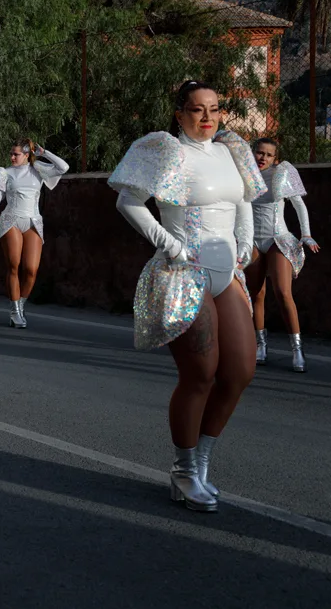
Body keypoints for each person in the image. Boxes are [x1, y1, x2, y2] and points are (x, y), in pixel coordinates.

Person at [109, 80, 265, 513]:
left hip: (227, 272)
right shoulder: (167, 151)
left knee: (240, 371)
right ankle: (183, 470)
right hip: (184, 272)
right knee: (201, 373)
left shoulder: (232, 150)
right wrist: (170, 244)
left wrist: (245, 243)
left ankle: (202, 464)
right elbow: (128, 202)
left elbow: (244, 200)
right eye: (197, 110)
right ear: (180, 114)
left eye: (214, 108)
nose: (207, 117)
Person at [244, 137, 320, 373]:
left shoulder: (281, 173)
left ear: (275, 158)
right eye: (259, 152)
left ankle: (297, 349)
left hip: (278, 238)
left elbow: (299, 205)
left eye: (268, 155)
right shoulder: (244, 175)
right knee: (256, 294)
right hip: (252, 240)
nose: (263, 158)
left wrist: (306, 234)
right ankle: (261, 345)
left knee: (282, 292)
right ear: (252, 153)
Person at [0, 140, 69, 327]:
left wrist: (44, 153)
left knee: (31, 270)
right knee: (14, 266)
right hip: (11, 220)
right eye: (11, 153)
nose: (12, 157)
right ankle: (15, 311)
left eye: (16, 154)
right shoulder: (4, 172)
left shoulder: (38, 170)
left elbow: (63, 167)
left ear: (27, 155)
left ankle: (20, 303)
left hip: (33, 221)